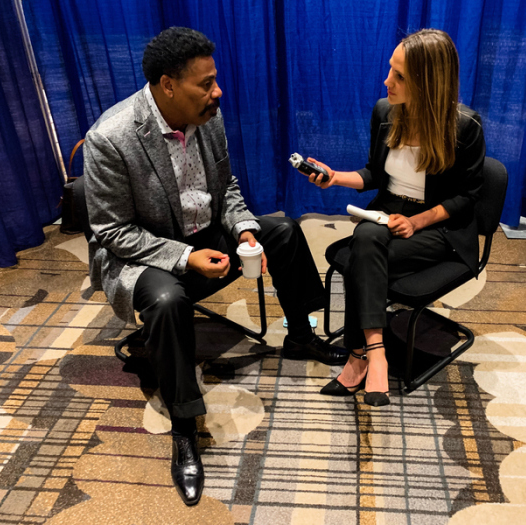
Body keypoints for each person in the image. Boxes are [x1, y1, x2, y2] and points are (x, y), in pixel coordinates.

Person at [83, 27, 347, 507]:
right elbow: (111, 232)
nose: (217, 92)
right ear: (168, 85)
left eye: (215, 80)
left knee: (282, 230)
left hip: (203, 232)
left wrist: (245, 230)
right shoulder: (111, 137)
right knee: (167, 299)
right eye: (205, 83)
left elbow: (225, 188)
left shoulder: (207, 116)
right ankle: (185, 428)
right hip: (142, 253)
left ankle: (302, 338)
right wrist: (184, 257)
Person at [300, 29, 485, 407]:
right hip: (388, 217)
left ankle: (359, 359)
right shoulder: (385, 113)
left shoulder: (465, 127)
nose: (387, 81)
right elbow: (374, 174)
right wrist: (335, 177)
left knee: (360, 256)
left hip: (439, 229)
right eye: (390, 70)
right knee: (368, 239)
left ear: (428, 81)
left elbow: (468, 199)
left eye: (399, 76)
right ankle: (376, 351)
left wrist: (417, 222)